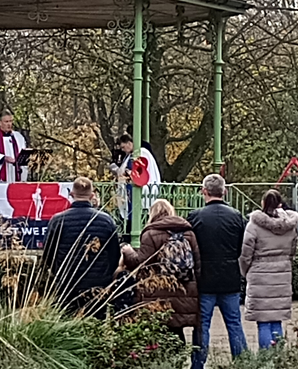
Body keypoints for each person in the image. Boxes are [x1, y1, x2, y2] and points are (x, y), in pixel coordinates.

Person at [187, 174, 249, 369]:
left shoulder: (195, 217)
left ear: (203, 191)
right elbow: (242, 246)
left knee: (202, 324)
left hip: (204, 276)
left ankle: (198, 366)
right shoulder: (237, 216)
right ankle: (242, 364)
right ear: (225, 191)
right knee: (234, 323)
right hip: (230, 275)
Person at [121, 199, 201, 343]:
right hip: (183, 288)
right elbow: (197, 263)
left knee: (158, 328)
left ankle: (160, 362)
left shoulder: (150, 234)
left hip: (157, 289)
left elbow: (140, 263)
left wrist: (128, 252)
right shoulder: (188, 233)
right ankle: (178, 361)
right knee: (177, 329)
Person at [43, 176, 121, 315]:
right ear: (92, 195)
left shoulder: (57, 220)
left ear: (72, 194)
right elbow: (114, 255)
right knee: (95, 323)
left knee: (66, 325)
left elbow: (48, 254)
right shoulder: (106, 221)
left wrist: (58, 272)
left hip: (66, 283)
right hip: (97, 284)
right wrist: (106, 275)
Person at [240, 189, 298, 349]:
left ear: (263, 203)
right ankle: (278, 357)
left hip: (259, 274)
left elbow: (246, 254)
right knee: (276, 319)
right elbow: (293, 250)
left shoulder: (254, 226)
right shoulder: (290, 225)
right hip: (282, 274)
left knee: (263, 322)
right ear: (280, 203)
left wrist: (245, 271)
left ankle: (266, 357)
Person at [112, 134, 162, 237]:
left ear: (129, 143)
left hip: (140, 190)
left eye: (123, 147)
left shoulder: (142, 153)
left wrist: (129, 173)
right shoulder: (130, 155)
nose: (123, 150)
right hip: (130, 191)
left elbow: (141, 170)